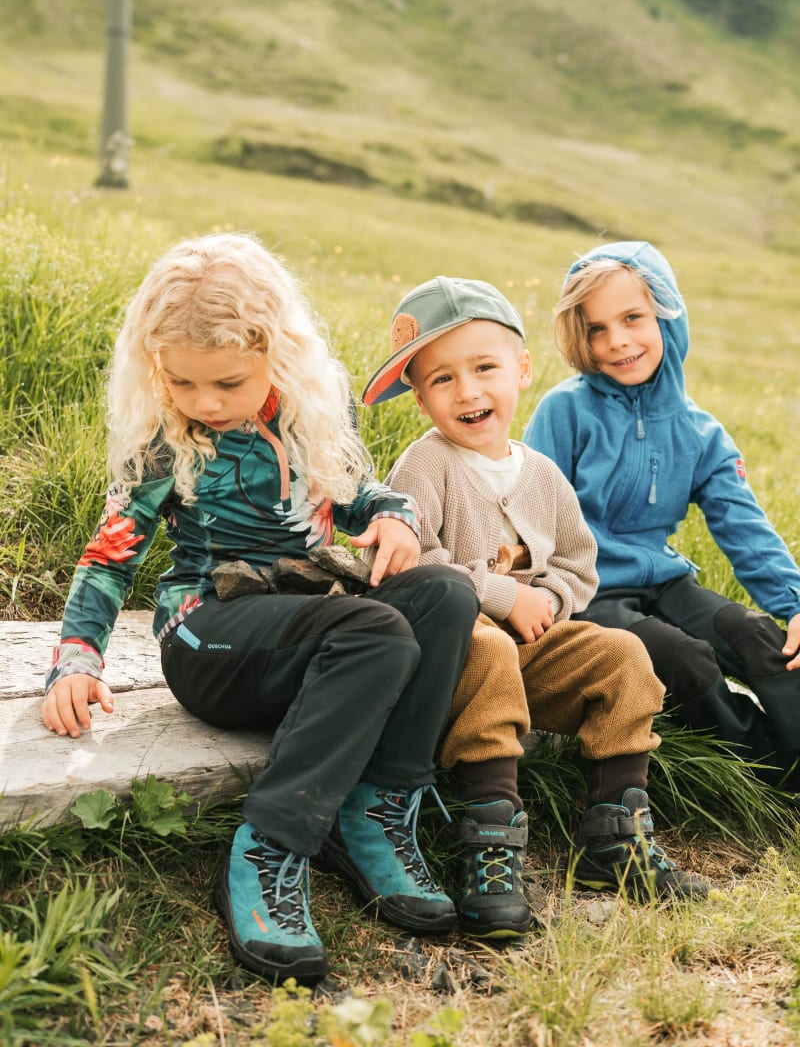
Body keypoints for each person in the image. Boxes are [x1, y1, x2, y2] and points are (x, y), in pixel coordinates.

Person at [41, 233, 479, 986]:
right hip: (210, 634)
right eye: (182, 383)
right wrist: (75, 660)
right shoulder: (162, 437)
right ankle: (271, 845)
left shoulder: (312, 408)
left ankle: (374, 811)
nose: (204, 403)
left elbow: (353, 494)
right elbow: (111, 554)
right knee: (373, 629)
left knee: (445, 593)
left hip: (310, 619)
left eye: (227, 384)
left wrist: (397, 514)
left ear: (277, 354)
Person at [361, 276, 707, 941]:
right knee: (488, 649)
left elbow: (580, 562)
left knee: (623, 654)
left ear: (521, 369)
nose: (467, 392)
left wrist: (548, 598)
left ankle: (615, 832)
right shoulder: (422, 467)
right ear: (420, 395)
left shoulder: (542, 475)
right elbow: (411, 562)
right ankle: (492, 849)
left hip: (532, 649)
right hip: (455, 658)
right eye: (441, 380)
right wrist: (500, 594)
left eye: (484, 368)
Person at [525, 240, 800, 788]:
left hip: (665, 580)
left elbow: (743, 527)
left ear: (668, 316)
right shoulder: (566, 410)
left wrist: (795, 604)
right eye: (597, 328)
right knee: (684, 657)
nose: (617, 341)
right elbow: (528, 510)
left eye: (632, 318)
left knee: (760, 638)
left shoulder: (700, 433)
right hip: (586, 589)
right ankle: (771, 780)